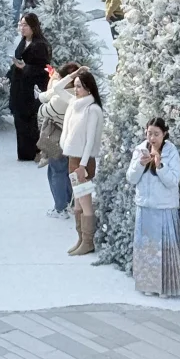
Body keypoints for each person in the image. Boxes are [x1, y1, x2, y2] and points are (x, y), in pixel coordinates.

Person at [126, 117, 180, 297]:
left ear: (164, 134)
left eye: (156, 134)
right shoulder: (140, 150)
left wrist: (160, 165)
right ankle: (148, 285)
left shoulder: (171, 152)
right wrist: (139, 164)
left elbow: (173, 181)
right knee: (147, 249)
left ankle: (166, 288)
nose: (152, 138)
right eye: (149, 133)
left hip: (164, 208)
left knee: (164, 250)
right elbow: (131, 178)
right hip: (145, 206)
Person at [61, 68, 104, 256]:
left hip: (82, 162)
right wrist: (73, 74)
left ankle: (88, 241)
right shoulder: (75, 104)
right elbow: (56, 90)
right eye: (75, 86)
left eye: (79, 86)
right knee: (77, 204)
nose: (76, 89)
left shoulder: (92, 109)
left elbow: (89, 141)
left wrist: (83, 166)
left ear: (89, 88)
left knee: (85, 203)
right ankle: (81, 238)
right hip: (73, 159)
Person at [37, 62, 79, 216]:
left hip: (56, 138)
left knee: (56, 171)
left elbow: (43, 111)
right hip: (72, 140)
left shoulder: (62, 98)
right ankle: (70, 202)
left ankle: (61, 206)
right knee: (67, 171)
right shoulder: (79, 93)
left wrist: (51, 87)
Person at [9, 14, 52, 161]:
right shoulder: (23, 42)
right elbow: (17, 62)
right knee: (19, 120)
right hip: (18, 87)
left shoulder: (39, 45)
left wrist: (26, 68)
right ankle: (25, 153)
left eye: (25, 25)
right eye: (21, 25)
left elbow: (44, 69)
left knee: (29, 121)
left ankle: (34, 152)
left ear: (33, 27)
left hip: (31, 89)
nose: (22, 28)